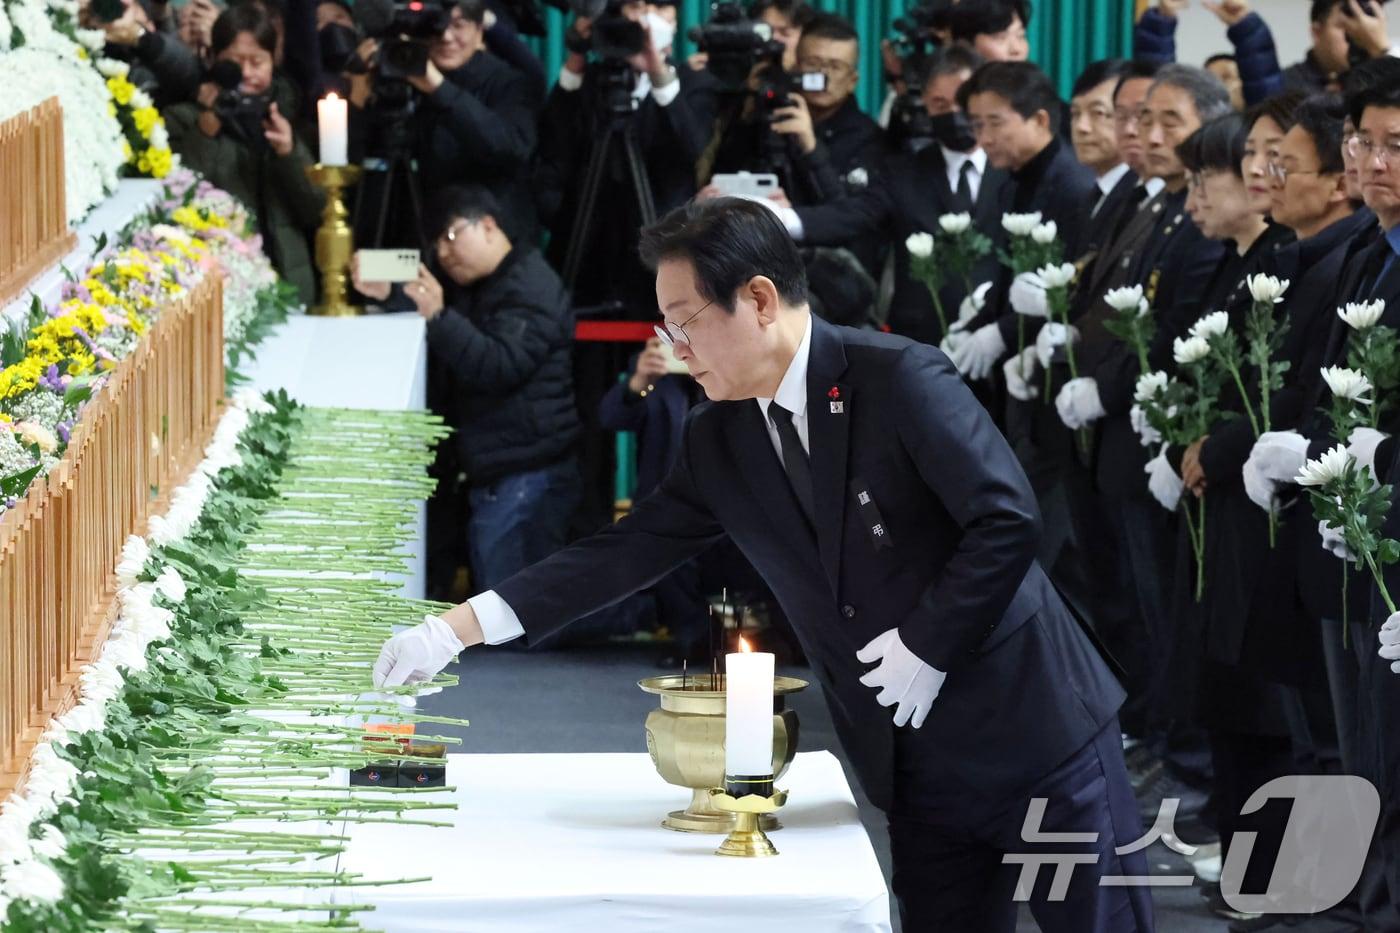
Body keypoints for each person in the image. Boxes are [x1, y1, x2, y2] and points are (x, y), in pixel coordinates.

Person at [372, 197, 1151, 932]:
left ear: (760, 299)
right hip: (914, 766)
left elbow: (1006, 520)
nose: (673, 348)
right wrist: (456, 627)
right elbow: (625, 552)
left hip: (1035, 736)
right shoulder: (722, 437)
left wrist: (927, 642)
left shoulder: (898, 378)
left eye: (685, 323)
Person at [351, 186, 581, 593]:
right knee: (510, 608)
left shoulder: (531, 286)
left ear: (489, 226)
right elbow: (461, 333)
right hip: (503, 467)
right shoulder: (490, 282)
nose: (443, 252)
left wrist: (438, 315)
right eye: (437, 243)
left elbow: (497, 365)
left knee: (521, 612)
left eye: (452, 236)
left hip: (526, 474)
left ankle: (643, 613)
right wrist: (391, 297)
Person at [165, 2, 324, 303]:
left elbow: (317, 210)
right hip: (223, 284)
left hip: (292, 281)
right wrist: (205, 131)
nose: (247, 73)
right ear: (214, 59)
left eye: (257, 61)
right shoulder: (183, 119)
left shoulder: (294, 117)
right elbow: (177, 199)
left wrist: (289, 152)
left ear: (273, 60)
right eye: (235, 62)